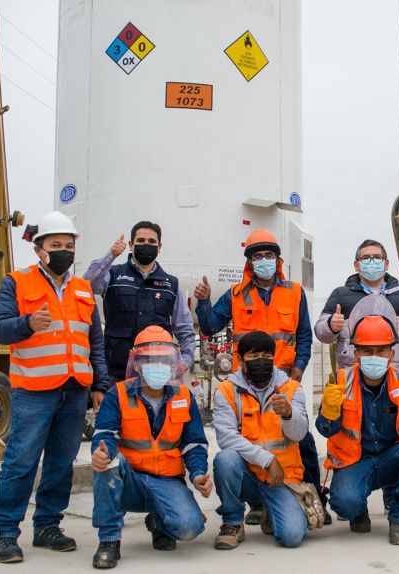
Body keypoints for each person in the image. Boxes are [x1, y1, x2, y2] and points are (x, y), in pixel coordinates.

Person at [0, 211, 111, 563]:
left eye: (69, 246)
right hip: (33, 391)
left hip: (74, 391)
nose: (63, 251)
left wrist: (99, 384)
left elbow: (95, 342)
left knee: (61, 464)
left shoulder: (84, 289)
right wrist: (26, 323)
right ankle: (6, 532)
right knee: (21, 462)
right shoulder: (18, 282)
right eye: (56, 245)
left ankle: (47, 527)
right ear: (39, 249)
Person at [195, 229, 326, 523]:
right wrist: (204, 304)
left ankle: (314, 495)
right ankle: (257, 501)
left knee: (300, 441)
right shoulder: (236, 295)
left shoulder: (294, 292)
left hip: (282, 380)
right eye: (257, 256)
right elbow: (211, 326)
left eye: (268, 256)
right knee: (250, 437)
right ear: (249, 262)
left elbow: (304, 335)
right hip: (248, 380)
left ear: (277, 260)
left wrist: (299, 369)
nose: (263, 260)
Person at [89, 326, 211, 569]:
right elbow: (105, 434)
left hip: (167, 481)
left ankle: (158, 523)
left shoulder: (184, 397)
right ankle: (109, 540)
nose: (158, 366)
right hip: (130, 479)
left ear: (174, 364)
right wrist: (102, 453)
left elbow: (194, 443)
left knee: (189, 527)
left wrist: (198, 474)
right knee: (111, 462)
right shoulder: (118, 394)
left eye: (164, 361)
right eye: (150, 360)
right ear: (137, 363)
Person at [316, 315, 399, 545]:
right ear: (356, 354)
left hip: (391, 457)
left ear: (392, 354)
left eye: (381, 351)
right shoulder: (340, 381)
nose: (374, 357)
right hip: (355, 461)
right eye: (367, 351)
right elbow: (326, 431)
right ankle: (359, 511)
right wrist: (329, 414)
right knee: (344, 503)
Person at [211, 331, 310, 550]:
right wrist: (266, 459)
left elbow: (301, 433)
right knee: (225, 459)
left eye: (266, 356)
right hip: (248, 473)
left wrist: (288, 414)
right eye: (253, 357)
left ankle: (270, 511)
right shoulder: (226, 390)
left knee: (292, 536)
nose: (260, 362)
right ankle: (233, 522)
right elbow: (226, 437)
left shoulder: (291, 388)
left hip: (282, 476)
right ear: (240, 360)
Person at [83, 221, 196, 381]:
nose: (146, 245)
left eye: (151, 242)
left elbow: (186, 331)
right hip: (116, 374)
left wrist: (183, 363)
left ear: (159, 247)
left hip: (158, 375)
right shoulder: (114, 275)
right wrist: (111, 255)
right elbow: (87, 284)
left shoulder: (171, 284)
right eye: (141, 241)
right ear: (131, 245)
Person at [313, 239, 399, 371]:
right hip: (352, 372)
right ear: (356, 265)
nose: (371, 261)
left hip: (396, 371)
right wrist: (331, 326)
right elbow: (320, 333)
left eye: (376, 257)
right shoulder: (340, 295)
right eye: (365, 258)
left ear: (386, 264)